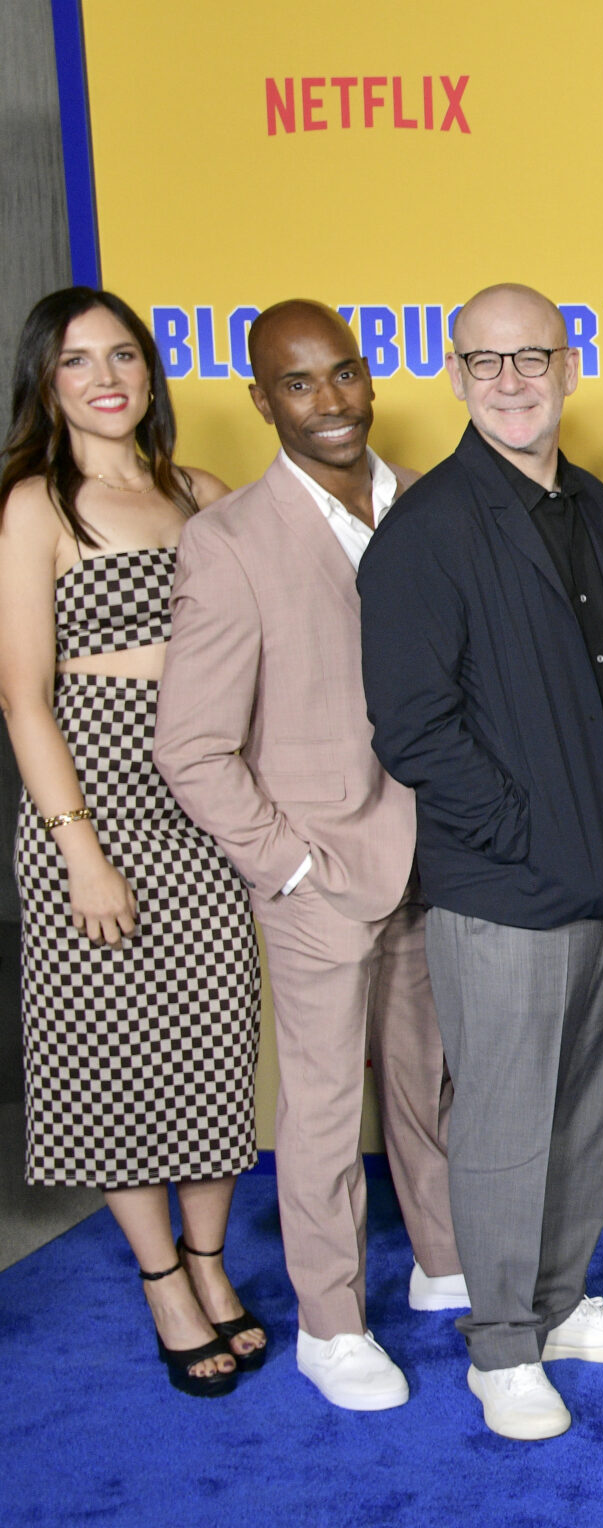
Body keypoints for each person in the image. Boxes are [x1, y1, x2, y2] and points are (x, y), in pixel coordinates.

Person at [360, 283, 603, 1442]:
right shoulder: (428, 526)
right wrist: (519, 831)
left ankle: (554, 1304)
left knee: (586, 1109)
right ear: (455, 375)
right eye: (484, 362)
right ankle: (500, 1349)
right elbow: (411, 725)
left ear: (567, 364)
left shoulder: (590, 503)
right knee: (502, 1122)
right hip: (505, 887)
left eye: (530, 356)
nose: (509, 379)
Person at [155, 299, 460, 1411]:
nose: (330, 401)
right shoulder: (228, 541)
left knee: (426, 1082)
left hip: (439, 855)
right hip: (319, 870)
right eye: (299, 384)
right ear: (260, 399)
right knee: (327, 1105)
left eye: (344, 373)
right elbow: (189, 746)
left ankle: (441, 1262)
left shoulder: (425, 503)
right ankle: (333, 1323)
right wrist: (286, 869)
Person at [0, 286, 257, 1399]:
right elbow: (22, 697)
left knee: (211, 1042)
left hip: (203, 798)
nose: (106, 378)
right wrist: (80, 850)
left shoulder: (202, 494)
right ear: (45, 385)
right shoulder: (34, 508)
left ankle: (210, 1262)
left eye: (123, 357)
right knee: (110, 1057)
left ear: (150, 374)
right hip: (92, 802)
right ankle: (159, 1279)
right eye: (76, 362)